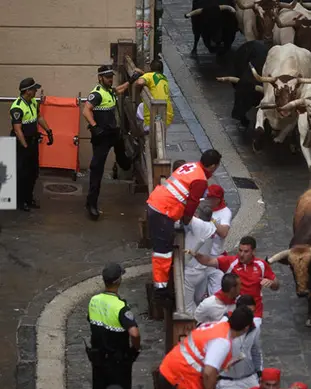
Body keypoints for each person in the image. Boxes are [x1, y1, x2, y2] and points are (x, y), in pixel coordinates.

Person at [158, 306, 253, 389]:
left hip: (174, 370)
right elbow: (208, 373)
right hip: (176, 378)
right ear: (246, 328)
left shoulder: (220, 325)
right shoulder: (222, 342)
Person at [147, 150, 222, 293]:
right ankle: (160, 288)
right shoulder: (200, 180)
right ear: (212, 166)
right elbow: (191, 205)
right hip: (163, 211)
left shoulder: (191, 167)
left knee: (161, 246)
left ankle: (161, 283)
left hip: (157, 203)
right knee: (163, 251)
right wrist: (186, 223)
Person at [86, 263, 141, 389]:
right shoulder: (121, 307)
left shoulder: (94, 301)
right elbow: (134, 333)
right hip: (118, 361)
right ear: (118, 281)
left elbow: (91, 320)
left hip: (98, 359)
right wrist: (135, 349)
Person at [82, 65, 140, 219]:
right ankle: (91, 204)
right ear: (100, 78)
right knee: (97, 169)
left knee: (122, 157)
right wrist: (95, 127)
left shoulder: (109, 91)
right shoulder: (97, 94)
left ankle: (128, 162)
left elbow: (118, 90)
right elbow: (86, 110)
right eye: (107, 77)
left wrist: (131, 80)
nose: (110, 79)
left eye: (111, 76)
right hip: (102, 136)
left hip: (113, 133)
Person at [191, 235, 279, 327]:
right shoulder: (230, 262)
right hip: (235, 312)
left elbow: (276, 285)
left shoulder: (262, 265)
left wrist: (271, 283)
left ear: (253, 251)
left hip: (255, 314)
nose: (241, 254)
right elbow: (209, 261)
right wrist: (196, 255)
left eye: (246, 251)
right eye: (240, 250)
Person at [9, 77, 52, 211]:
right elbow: (18, 129)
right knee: (22, 173)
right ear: (27, 91)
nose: (36, 91)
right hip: (22, 144)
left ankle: (28, 198)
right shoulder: (17, 107)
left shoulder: (33, 102)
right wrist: (25, 146)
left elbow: (39, 117)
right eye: (34, 89)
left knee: (33, 172)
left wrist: (49, 131)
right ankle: (21, 201)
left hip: (32, 142)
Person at [218, 295, 263, 389]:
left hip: (249, 377)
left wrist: (259, 372)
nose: (251, 316)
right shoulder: (223, 326)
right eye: (249, 312)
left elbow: (255, 351)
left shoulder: (255, 328)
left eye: (253, 312)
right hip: (227, 380)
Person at [184, 206, 218, 314]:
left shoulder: (200, 225)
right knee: (198, 302)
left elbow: (184, 216)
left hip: (191, 273)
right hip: (202, 271)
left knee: (188, 307)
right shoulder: (211, 225)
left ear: (198, 216)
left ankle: (198, 327)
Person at [206, 184, 233, 296]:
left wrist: (211, 219)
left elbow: (223, 233)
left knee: (216, 290)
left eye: (212, 198)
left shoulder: (225, 212)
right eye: (208, 197)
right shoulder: (203, 204)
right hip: (200, 255)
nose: (209, 200)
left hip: (214, 257)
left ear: (218, 199)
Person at [134, 59, 174, 129]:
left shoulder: (149, 75)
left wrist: (138, 89)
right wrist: (143, 73)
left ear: (150, 68)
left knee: (140, 106)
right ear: (162, 70)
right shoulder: (164, 78)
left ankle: (141, 131)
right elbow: (152, 77)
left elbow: (140, 82)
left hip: (153, 117)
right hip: (167, 115)